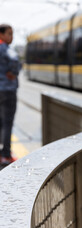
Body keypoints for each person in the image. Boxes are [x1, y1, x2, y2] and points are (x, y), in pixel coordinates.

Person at [0, 24, 21, 165]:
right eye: (9, 33)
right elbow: (14, 59)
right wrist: (13, 72)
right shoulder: (5, 48)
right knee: (7, 123)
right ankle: (6, 155)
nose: (11, 37)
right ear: (1, 34)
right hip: (7, 90)